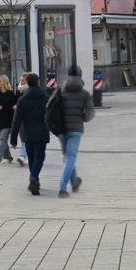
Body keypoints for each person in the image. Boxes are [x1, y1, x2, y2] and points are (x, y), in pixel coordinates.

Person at [46, 65, 95, 198]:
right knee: (70, 157)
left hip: (61, 129)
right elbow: (90, 113)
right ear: (80, 75)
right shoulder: (85, 93)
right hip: (76, 129)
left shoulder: (60, 90)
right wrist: (82, 118)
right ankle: (62, 188)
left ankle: (74, 182)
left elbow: (48, 107)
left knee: (67, 157)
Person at [10, 73, 50, 195]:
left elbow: (16, 120)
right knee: (39, 157)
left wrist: (13, 139)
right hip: (42, 131)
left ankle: (35, 179)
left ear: (27, 82)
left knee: (32, 157)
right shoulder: (45, 98)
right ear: (38, 82)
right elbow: (52, 114)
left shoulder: (22, 100)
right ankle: (34, 178)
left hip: (27, 132)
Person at [0, 76, 18, 165]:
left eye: (0, 81)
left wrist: (15, 107)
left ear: (4, 82)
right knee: (2, 140)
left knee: (3, 137)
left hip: (8, 119)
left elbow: (16, 104)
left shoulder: (11, 93)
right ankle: (8, 157)